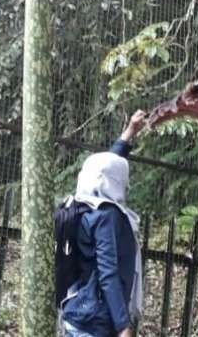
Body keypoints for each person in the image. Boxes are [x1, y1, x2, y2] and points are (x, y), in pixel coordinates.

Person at [58, 110, 147, 337]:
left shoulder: (82, 205)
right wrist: (123, 326)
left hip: (77, 310)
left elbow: (106, 169)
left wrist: (129, 132)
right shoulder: (107, 215)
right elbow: (108, 272)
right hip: (95, 322)